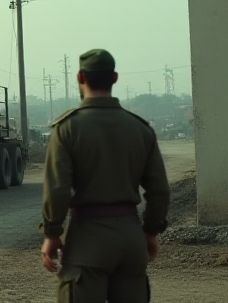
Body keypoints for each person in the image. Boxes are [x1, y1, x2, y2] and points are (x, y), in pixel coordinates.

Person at [40, 49, 171, 302]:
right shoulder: (140, 129)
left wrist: (52, 233)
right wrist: (151, 231)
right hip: (131, 238)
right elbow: (160, 190)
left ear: (80, 77)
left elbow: (57, 189)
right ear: (115, 78)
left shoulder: (67, 128)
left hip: (88, 239)